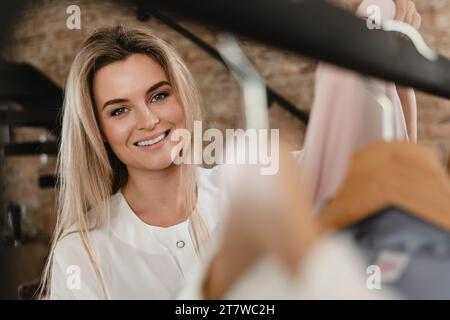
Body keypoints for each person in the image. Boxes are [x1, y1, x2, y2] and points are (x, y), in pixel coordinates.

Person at [42, 0, 421, 300]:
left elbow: (367, 161)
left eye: (159, 95)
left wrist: (385, 61)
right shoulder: (82, 251)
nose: (149, 120)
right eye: (120, 110)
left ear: (182, 98)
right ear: (98, 130)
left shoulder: (256, 187)